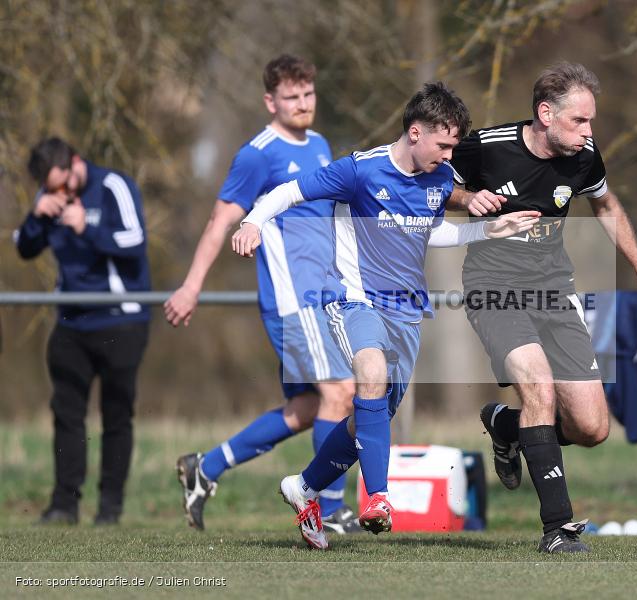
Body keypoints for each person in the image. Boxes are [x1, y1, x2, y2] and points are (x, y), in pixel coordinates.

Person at [232, 81, 541, 549]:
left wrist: (487, 230)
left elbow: (430, 234)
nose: (449, 155)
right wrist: (254, 220)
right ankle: (378, 497)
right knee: (369, 372)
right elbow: (289, 192)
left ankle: (305, 487)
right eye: (443, 144)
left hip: (406, 312)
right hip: (352, 299)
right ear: (415, 132)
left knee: (368, 417)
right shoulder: (360, 171)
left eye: (454, 146)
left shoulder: (438, 178)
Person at [447, 62, 637, 553]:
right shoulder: (486, 145)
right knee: (539, 389)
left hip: (552, 287)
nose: (589, 132)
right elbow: (430, 186)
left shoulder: (584, 157)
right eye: (580, 121)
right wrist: (468, 198)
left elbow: (606, 207)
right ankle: (558, 528)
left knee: (591, 427)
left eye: (591, 122)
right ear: (546, 114)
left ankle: (506, 424)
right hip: (493, 285)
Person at [164, 55, 358, 533]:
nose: (302, 104)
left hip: (324, 297)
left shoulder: (319, 144)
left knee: (308, 410)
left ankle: (204, 468)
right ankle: (328, 512)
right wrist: (191, 287)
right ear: (270, 101)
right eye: (291, 97)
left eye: (307, 94)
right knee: (342, 392)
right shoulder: (258, 154)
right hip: (292, 303)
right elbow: (218, 222)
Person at [15, 137, 151, 525]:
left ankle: (110, 508)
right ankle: (63, 504)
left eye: (64, 184)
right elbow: (25, 248)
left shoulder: (113, 186)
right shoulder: (48, 196)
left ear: (75, 163)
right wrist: (37, 217)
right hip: (71, 323)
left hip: (120, 320)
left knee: (116, 415)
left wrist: (87, 229)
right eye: (51, 188)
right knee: (66, 413)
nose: (61, 193)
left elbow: (135, 241)